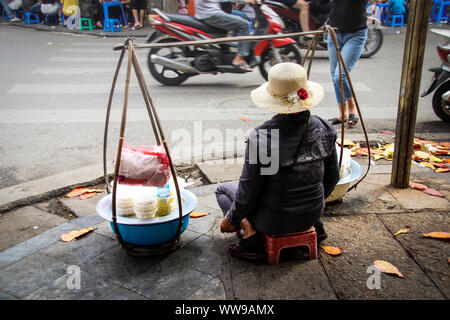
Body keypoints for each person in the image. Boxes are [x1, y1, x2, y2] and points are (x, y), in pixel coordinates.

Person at [216, 62, 340, 259]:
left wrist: (232, 219)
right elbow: (333, 176)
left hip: (274, 220)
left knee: (223, 191)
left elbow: (248, 192)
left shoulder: (262, 138)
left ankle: (249, 234)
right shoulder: (325, 128)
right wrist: (312, 204)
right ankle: (316, 226)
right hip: (313, 213)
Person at [327, 0, 368, 127]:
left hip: (356, 34)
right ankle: (342, 114)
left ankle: (351, 106)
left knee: (340, 75)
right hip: (334, 32)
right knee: (335, 76)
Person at [194, 0, 256, 72]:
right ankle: (239, 58)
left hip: (209, 12)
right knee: (244, 25)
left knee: (239, 24)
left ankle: (234, 51)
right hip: (211, 14)